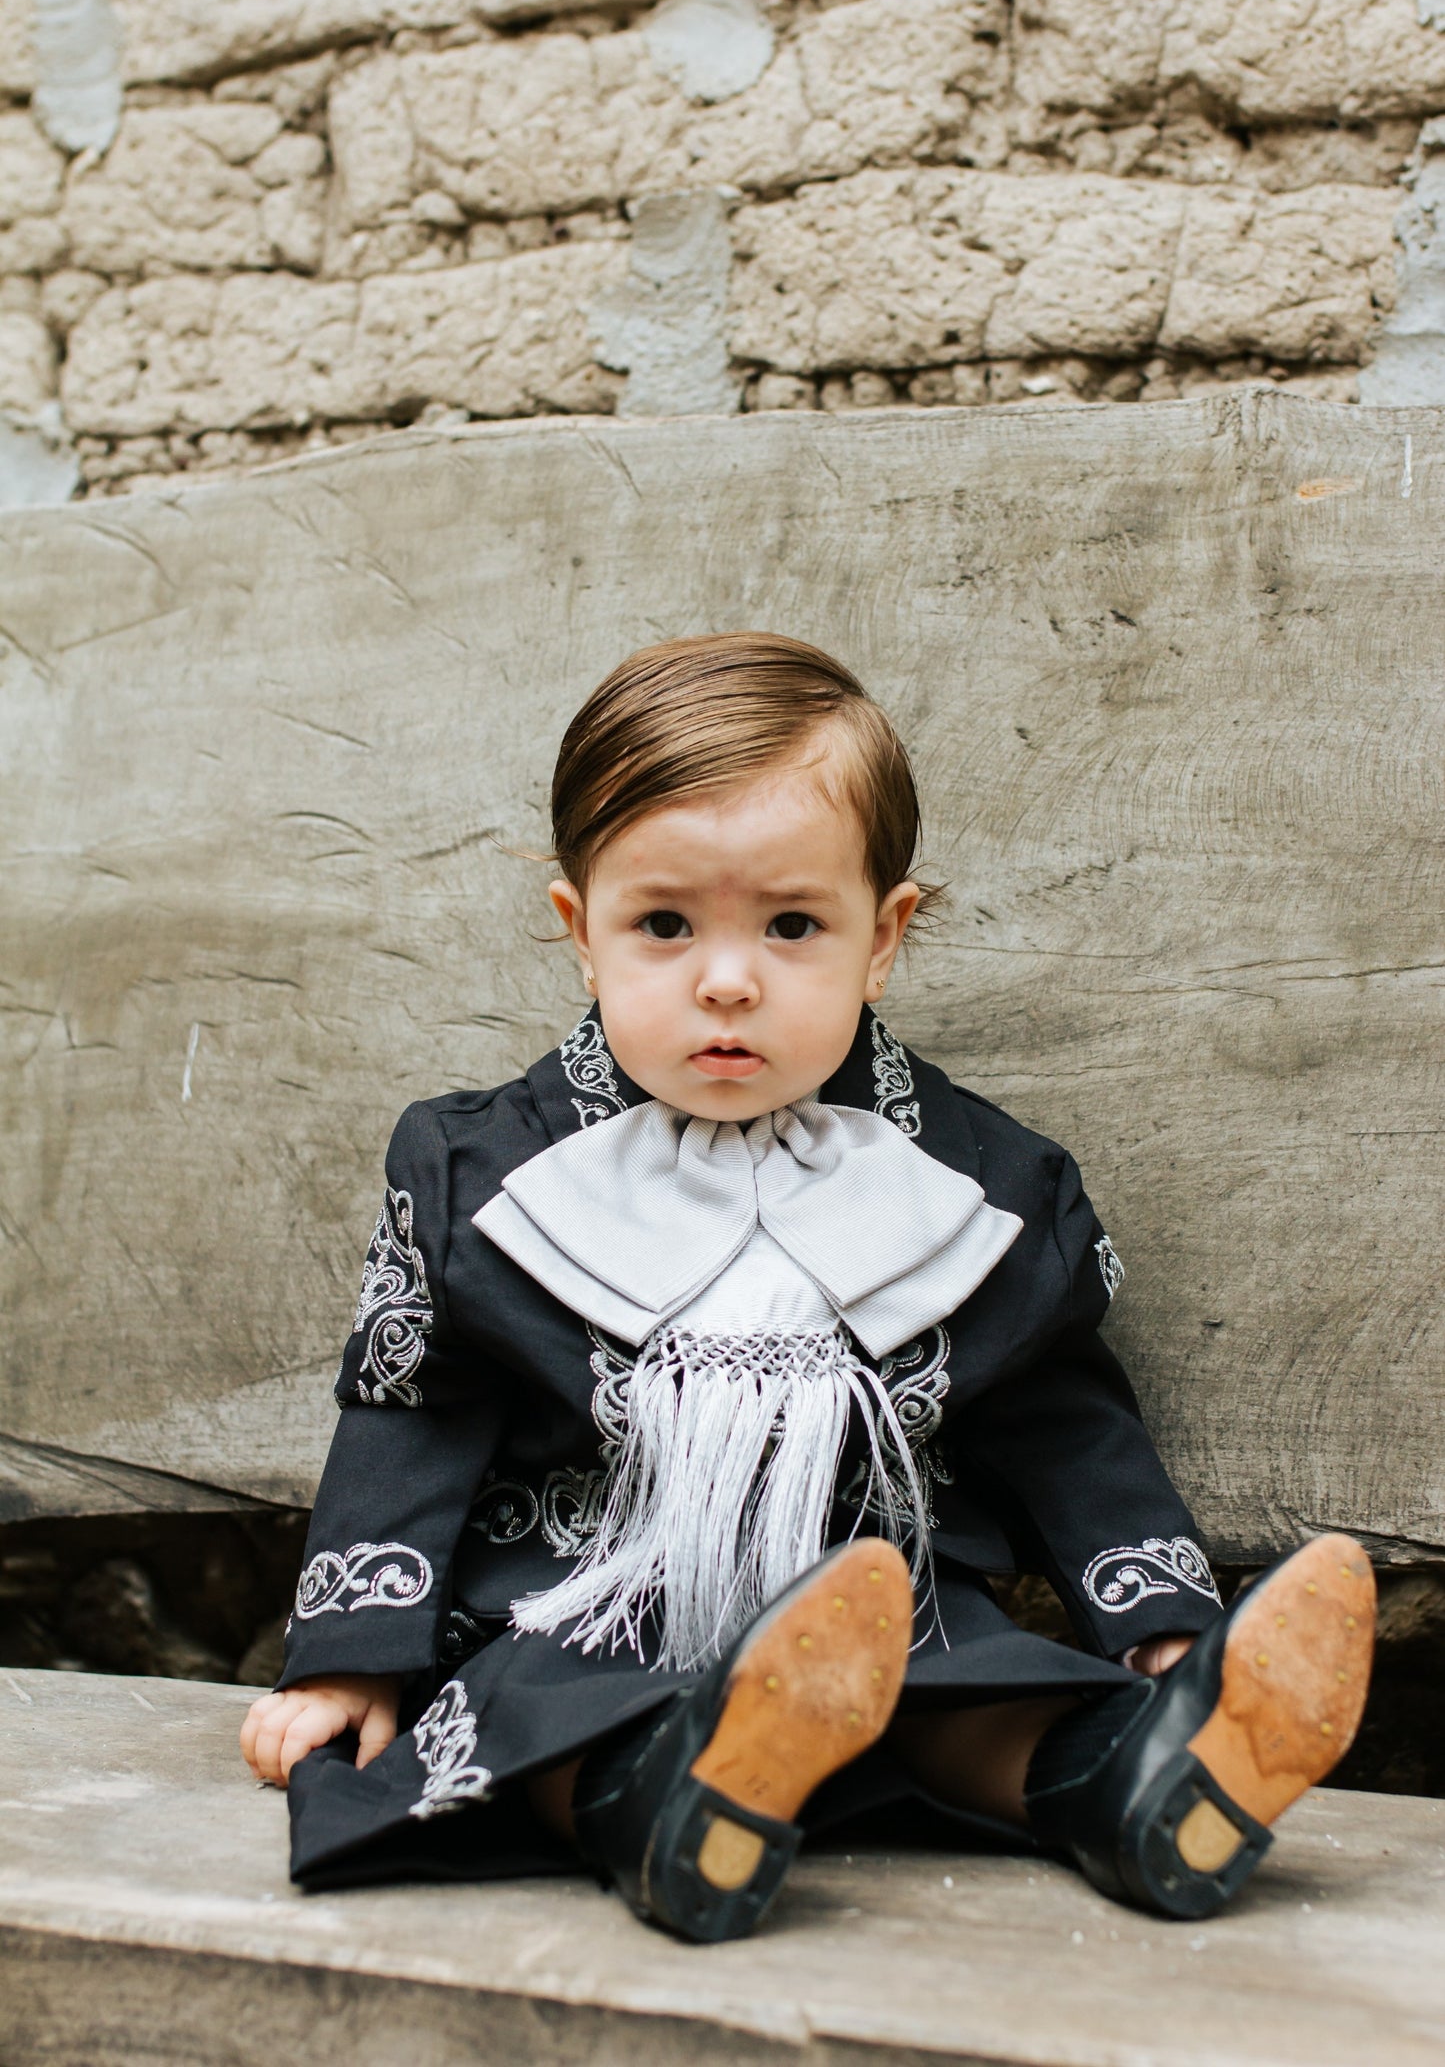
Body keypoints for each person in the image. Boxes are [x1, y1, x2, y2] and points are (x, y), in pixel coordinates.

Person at [241, 632, 1374, 1939]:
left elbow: (1059, 1420)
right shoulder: (483, 1175)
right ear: (580, 931)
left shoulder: (974, 1189)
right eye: (663, 925)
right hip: (585, 1599)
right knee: (539, 1712)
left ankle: (1132, 1781)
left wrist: (1155, 1610)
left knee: (979, 1694)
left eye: (792, 925)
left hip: (871, 1609)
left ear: (882, 936)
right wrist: (349, 1661)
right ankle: (672, 1798)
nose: (728, 978)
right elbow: (412, 1410)